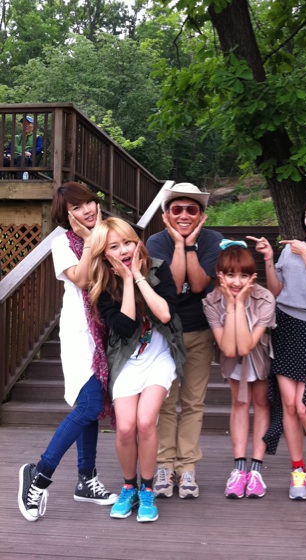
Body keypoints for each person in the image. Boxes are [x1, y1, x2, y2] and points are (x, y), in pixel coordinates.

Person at [17, 182, 117, 523]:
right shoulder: (62, 243)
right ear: (67, 215)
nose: (87, 209)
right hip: (80, 336)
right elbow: (82, 279)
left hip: (106, 334)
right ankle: (39, 474)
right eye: (77, 207)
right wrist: (89, 241)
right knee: (88, 406)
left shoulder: (109, 233)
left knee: (89, 409)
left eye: (88, 202)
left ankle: (86, 479)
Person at [89, 217, 184, 522]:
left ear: (138, 242)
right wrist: (127, 281)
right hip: (126, 359)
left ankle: (147, 489)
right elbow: (126, 327)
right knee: (125, 427)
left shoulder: (159, 268)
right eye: (114, 247)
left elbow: (165, 315)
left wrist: (139, 276)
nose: (124, 250)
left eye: (127, 242)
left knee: (145, 422)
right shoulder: (103, 284)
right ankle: (129, 486)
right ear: (105, 255)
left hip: (159, 356)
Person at [248, 193, 306, 503]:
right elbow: (277, 290)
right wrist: (269, 260)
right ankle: (297, 471)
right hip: (285, 326)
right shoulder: (290, 249)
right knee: (288, 406)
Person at [146, 182, 223, 499]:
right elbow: (175, 287)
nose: (184, 215)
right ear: (166, 214)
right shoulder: (156, 242)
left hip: (200, 331)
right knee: (165, 402)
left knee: (193, 402)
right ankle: (164, 465)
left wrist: (189, 245)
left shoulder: (213, 240)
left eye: (192, 209)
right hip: (166, 334)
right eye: (176, 209)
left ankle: (187, 466)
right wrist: (179, 243)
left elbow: (200, 283)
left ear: (202, 214)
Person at [202, 241, 276, 499]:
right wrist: (232, 306)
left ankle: (256, 469)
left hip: (259, 355)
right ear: (219, 274)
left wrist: (241, 303)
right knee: (239, 403)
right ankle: (239, 468)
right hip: (232, 358)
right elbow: (229, 348)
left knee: (261, 402)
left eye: (244, 275)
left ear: (252, 276)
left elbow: (246, 346)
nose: (236, 281)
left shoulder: (264, 298)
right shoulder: (212, 301)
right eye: (230, 274)